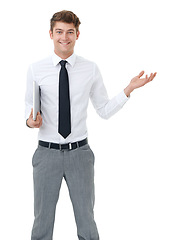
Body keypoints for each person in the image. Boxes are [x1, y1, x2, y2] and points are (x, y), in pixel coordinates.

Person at [25, 10, 157, 240]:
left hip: (80, 154)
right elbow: (28, 111)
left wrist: (128, 90)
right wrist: (30, 121)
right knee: (42, 223)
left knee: (86, 221)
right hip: (46, 154)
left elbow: (104, 110)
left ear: (77, 35)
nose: (64, 37)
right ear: (50, 34)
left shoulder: (90, 68)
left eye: (69, 32)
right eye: (59, 32)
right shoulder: (36, 69)